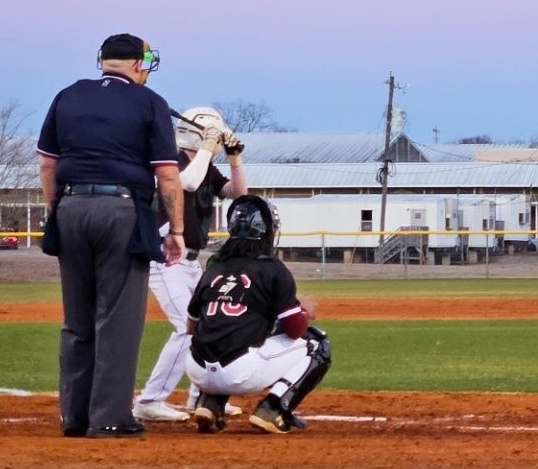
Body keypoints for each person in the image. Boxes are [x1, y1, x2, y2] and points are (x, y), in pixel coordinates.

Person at [36, 33, 184, 438]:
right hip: (120, 209)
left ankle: (75, 416)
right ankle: (109, 417)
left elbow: (48, 165)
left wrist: (58, 212)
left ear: (102, 60)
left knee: (77, 320)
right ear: (138, 64)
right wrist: (178, 230)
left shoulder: (67, 96)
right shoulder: (149, 102)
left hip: (70, 206)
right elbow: (167, 174)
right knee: (117, 320)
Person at [132, 107, 249, 422]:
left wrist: (235, 158)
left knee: (208, 323)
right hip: (165, 253)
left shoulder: (206, 165)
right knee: (186, 326)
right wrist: (209, 149)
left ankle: (202, 399)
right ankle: (150, 400)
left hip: (193, 259)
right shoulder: (170, 159)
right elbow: (189, 183)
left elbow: (239, 194)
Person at [184, 195, 331, 434]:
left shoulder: (214, 266)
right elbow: (295, 329)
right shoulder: (273, 269)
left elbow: (191, 326)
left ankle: (209, 403)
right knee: (317, 344)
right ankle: (274, 409)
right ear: (267, 230)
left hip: (197, 369)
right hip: (239, 372)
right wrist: (304, 311)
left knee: (223, 331)